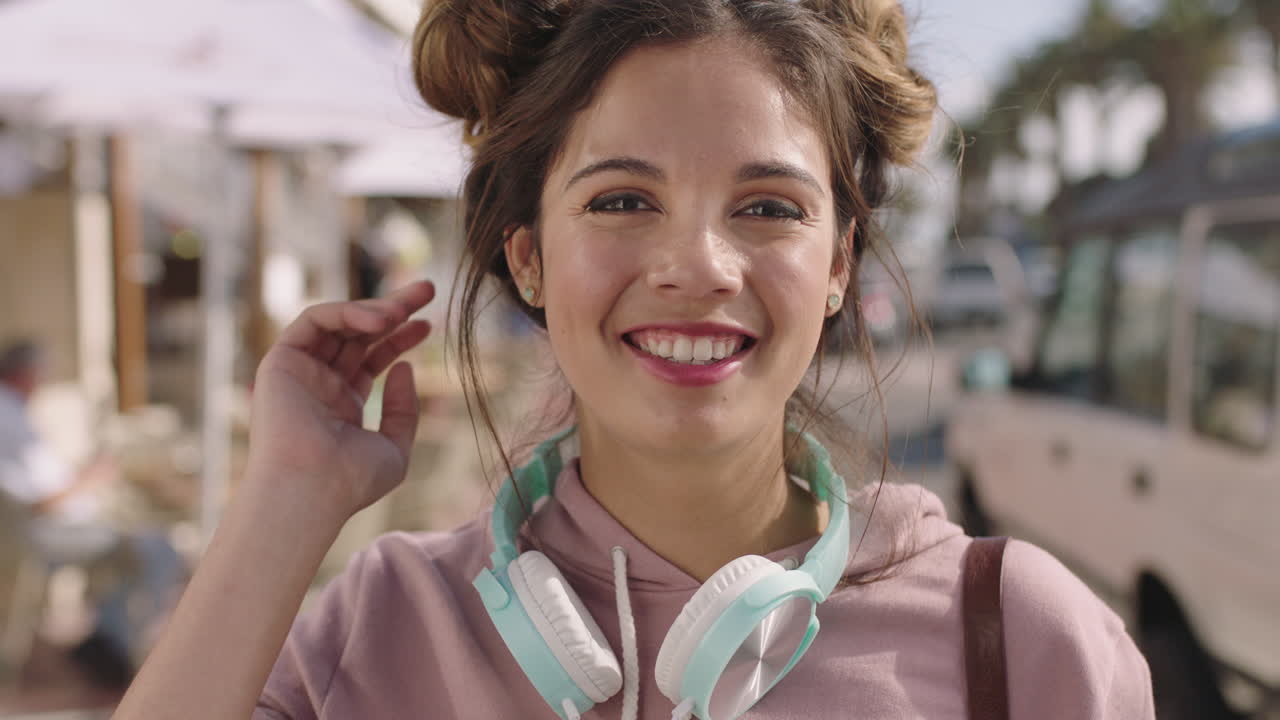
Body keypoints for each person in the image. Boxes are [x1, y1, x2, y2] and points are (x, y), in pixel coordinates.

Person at [114, 1, 1155, 718]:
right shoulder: (383, 629)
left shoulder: (1018, 639)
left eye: (766, 208)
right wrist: (284, 500)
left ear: (837, 262)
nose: (696, 267)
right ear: (526, 256)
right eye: (621, 200)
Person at [0, 339, 184, 688]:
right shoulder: (5, 416)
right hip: (45, 534)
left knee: (135, 550)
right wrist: (91, 479)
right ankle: (116, 650)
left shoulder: (14, 413)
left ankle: (106, 642)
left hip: (62, 526)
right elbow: (40, 503)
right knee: (155, 549)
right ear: (27, 374)